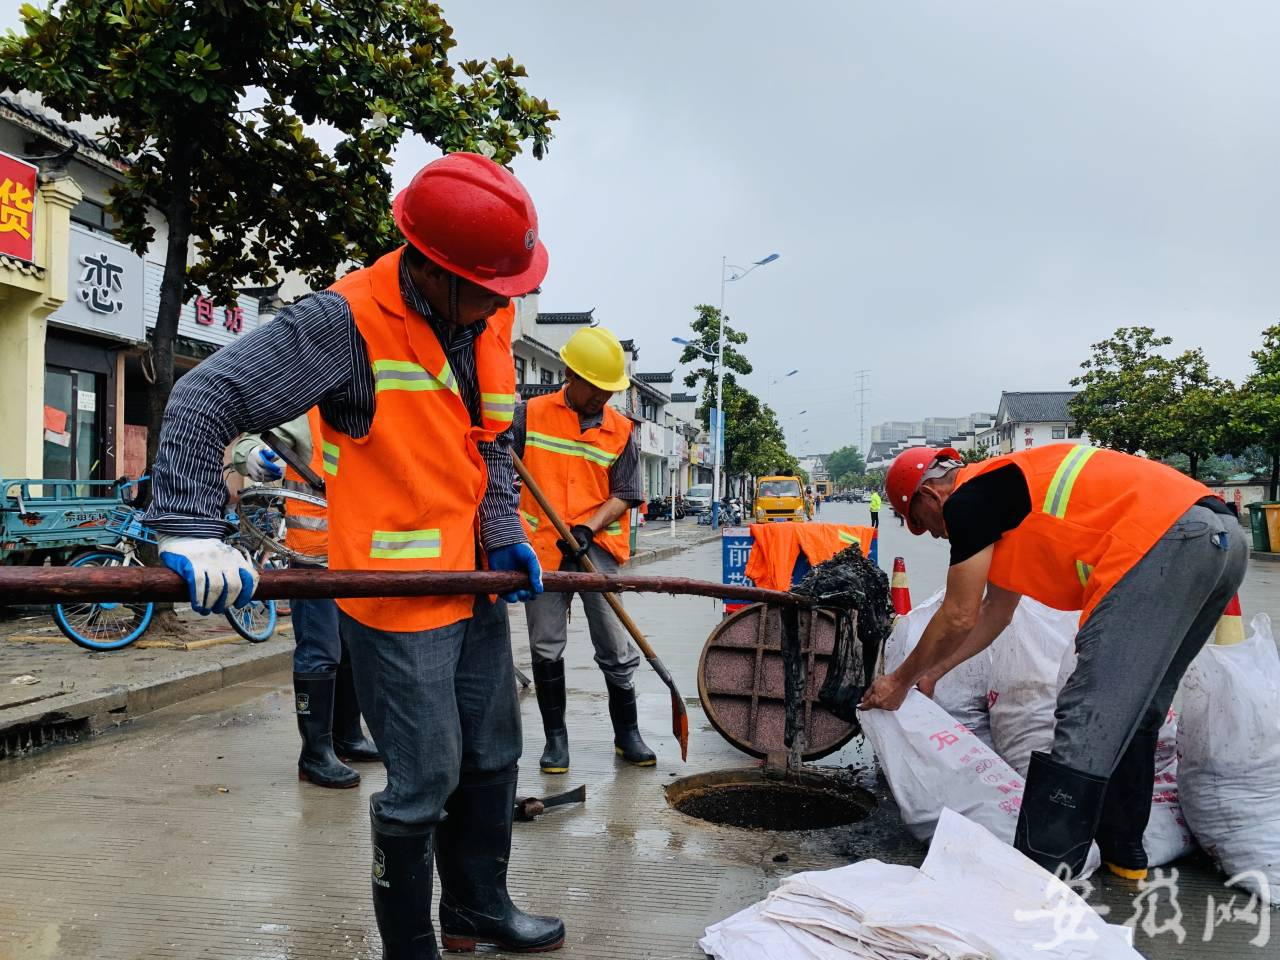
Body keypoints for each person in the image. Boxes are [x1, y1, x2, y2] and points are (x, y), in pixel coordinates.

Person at [144, 153, 563, 957]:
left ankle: (476, 907)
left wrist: (504, 522)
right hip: (394, 596)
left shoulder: (486, 312)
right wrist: (192, 526)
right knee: (425, 780)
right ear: (434, 270)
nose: (500, 305)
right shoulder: (344, 324)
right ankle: (409, 946)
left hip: (475, 581)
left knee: (494, 754)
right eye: (488, 289)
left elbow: (497, 436)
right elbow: (207, 396)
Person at [860, 443, 1246, 883]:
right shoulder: (1000, 496)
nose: (933, 535)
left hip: (1167, 541)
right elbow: (994, 613)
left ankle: (1038, 874)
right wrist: (932, 673)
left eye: (920, 525)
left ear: (930, 497)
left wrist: (899, 680)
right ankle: (1125, 858)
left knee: (1087, 711)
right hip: (1224, 541)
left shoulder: (970, 500)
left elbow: (958, 612)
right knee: (1139, 707)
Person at [514, 326, 653, 774]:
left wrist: (588, 528)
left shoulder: (620, 429)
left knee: (614, 642)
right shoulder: (528, 415)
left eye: (609, 391)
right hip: (542, 548)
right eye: (595, 387)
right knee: (545, 643)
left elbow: (628, 491)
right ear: (570, 375)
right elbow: (499, 471)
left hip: (596, 547)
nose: (602, 399)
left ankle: (626, 733)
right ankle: (556, 741)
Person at [231, 409, 379, 789]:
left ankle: (347, 736)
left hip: (357, 557)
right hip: (312, 557)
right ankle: (315, 753)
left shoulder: (373, 403)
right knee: (320, 651)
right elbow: (247, 443)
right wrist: (254, 458)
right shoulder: (305, 407)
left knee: (349, 648)